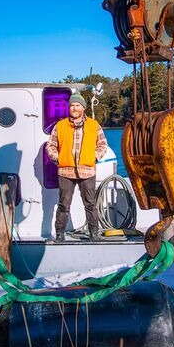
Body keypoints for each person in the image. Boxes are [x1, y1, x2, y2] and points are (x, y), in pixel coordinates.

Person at [45, 93, 109, 242]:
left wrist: (94, 157)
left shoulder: (94, 125)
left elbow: (103, 145)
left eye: (77, 105)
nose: (74, 108)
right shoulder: (60, 125)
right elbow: (51, 145)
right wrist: (58, 157)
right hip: (65, 172)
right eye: (72, 105)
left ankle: (94, 233)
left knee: (90, 204)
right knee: (63, 205)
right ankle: (60, 234)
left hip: (87, 171)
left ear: (83, 108)